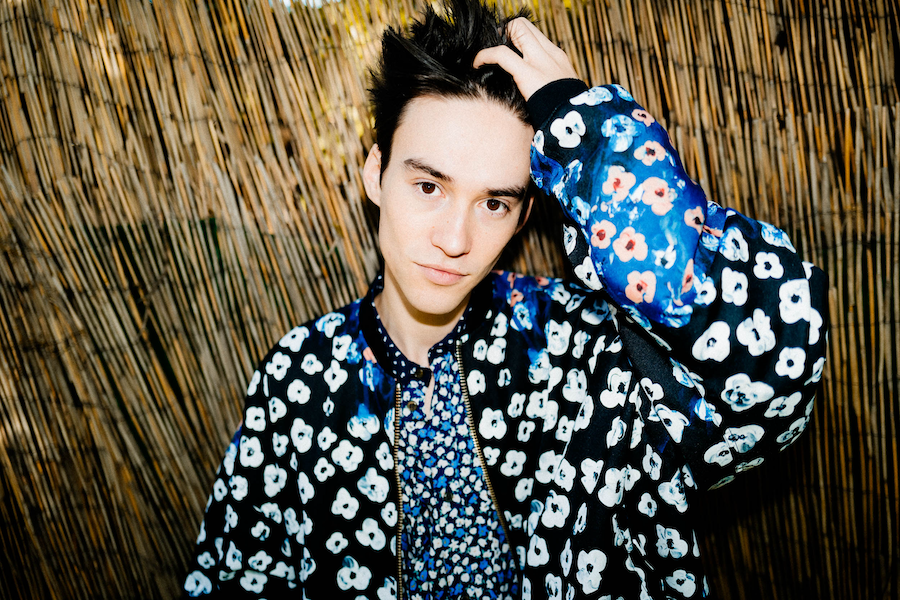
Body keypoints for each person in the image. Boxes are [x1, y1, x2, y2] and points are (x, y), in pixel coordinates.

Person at [183, 0, 828, 598]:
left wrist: (586, 132)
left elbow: (778, 360)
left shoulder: (586, 354)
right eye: (429, 187)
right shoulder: (300, 375)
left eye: (493, 203)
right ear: (375, 174)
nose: (455, 240)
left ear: (522, 219)